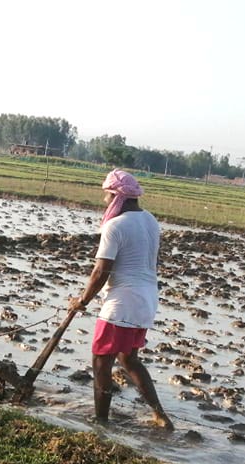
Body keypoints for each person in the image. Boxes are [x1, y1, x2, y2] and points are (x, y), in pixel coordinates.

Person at [69, 168, 173, 429]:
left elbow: (100, 271)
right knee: (129, 359)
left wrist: (82, 301)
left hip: (122, 302)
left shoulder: (115, 226)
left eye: (107, 196)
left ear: (117, 196)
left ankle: (101, 421)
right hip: (147, 299)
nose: (104, 201)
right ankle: (159, 414)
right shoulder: (150, 220)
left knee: (101, 361)